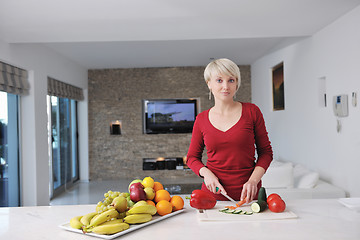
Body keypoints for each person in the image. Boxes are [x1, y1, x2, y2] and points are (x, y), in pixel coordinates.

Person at [186, 58, 273, 203]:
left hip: (249, 197)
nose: (225, 86)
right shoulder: (201, 119)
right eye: (219, 80)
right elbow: (191, 158)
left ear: (237, 83)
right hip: (211, 199)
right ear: (209, 84)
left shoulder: (252, 111)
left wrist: (253, 181)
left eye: (231, 80)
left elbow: (266, 152)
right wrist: (206, 174)